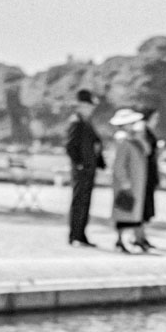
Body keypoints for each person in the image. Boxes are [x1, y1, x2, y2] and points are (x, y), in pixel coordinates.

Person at [65, 88, 106, 248]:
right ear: (81, 105)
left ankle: (81, 234)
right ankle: (75, 235)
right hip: (82, 169)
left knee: (85, 202)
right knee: (79, 201)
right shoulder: (76, 121)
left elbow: (95, 144)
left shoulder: (86, 122)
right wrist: (80, 163)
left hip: (89, 168)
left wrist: (99, 161)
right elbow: (70, 146)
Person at [109, 109, 150, 253]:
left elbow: (147, 150)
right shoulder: (122, 140)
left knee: (131, 212)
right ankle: (120, 240)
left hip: (135, 182)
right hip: (127, 183)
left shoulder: (134, 140)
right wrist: (124, 180)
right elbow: (119, 164)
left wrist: (139, 136)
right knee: (123, 210)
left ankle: (133, 239)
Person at [139, 107, 161, 248]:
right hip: (144, 172)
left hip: (150, 171)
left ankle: (141, 236)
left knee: (146, 206)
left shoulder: (148, 131)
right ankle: (138, 236)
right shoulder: (142, 129)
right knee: (142, 205)